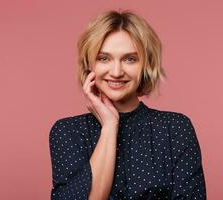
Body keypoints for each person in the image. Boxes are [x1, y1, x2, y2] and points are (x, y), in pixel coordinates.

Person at [49, 9, 207, 200]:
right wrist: (109, 126)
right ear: (89, 64)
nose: (116, 72)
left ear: (146, 65)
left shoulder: (175, 129)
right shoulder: (68, 132)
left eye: (130, 59)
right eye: (103, 58)